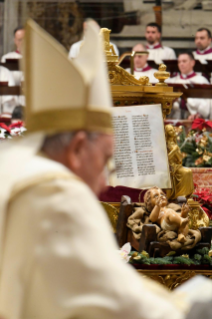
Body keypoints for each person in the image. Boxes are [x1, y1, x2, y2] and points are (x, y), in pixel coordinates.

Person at [0, 19, 187, 319]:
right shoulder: (57, 192)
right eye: (105, 160)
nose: (105, 181)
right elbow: (121, 303)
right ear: (76, 149)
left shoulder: (11, 168)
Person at [167, 52, 211, 119]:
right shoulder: (172, 81)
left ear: (192, 63)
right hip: (175, 119)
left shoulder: (201, 81)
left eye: (184, 61)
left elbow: (206, 106)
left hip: (194, 120)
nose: (181, 64)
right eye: (179, 62)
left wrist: (198, 114)